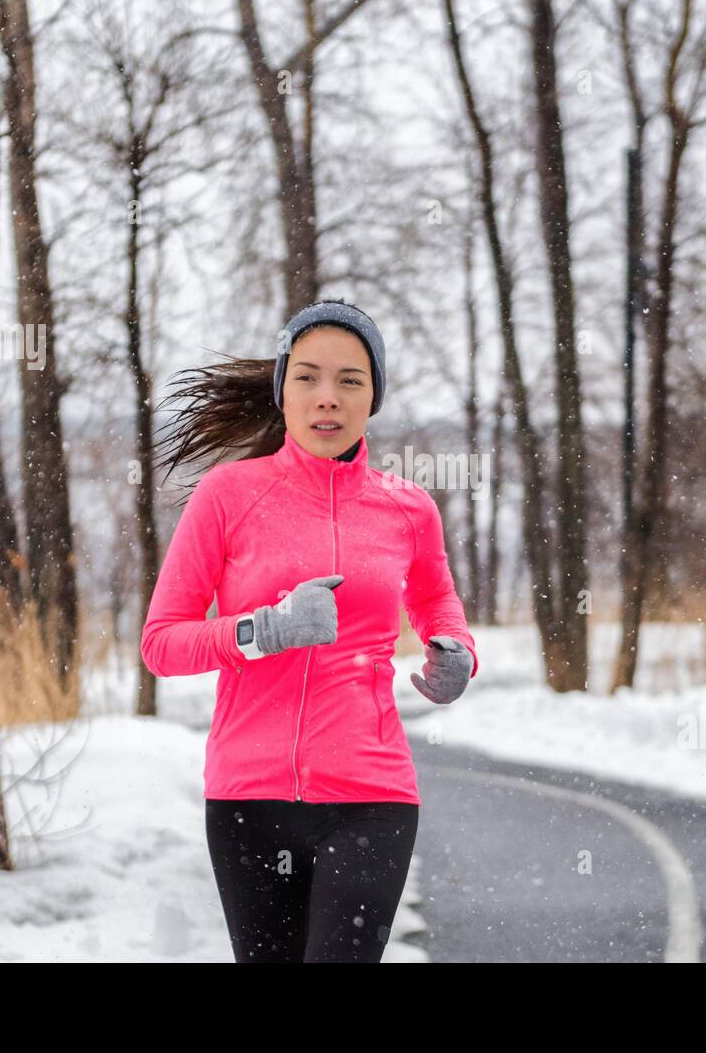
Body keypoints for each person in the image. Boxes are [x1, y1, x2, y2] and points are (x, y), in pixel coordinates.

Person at [140, 299, 479, 963]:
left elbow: (437, 597)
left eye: (350, 379)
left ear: (373, 394)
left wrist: (459, 649)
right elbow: (162, 642)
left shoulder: (408, 509)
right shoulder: (228, 495)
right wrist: (262, 630)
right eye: (308, 377)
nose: (329, 397)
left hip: (372, 793)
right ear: (283, 389)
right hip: (249, 798)